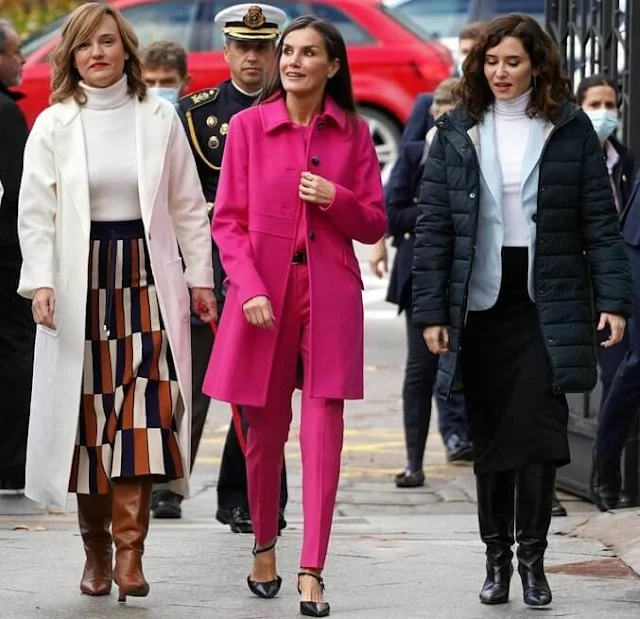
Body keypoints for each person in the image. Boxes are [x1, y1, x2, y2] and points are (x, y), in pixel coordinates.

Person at [412, 13, 632, 608]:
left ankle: (533, 562)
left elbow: (600, 222)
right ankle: (495, 562)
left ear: (536, 63)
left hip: (548, 296)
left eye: (512, 61)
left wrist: (613, 300)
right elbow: (433, 228)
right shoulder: (458, 129)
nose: (501, 72)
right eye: (491, 61)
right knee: (491, 436)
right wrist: (431, 311)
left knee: (536, 432)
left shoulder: (569, 128)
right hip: (480, 300)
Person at [17, 3, 216, 603]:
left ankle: (132, 558)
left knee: (142, 419)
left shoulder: (158, 117)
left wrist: (201, 279)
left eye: (107, 42)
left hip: (149, 279)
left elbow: (187, 206)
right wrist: (42, 282)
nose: (96, 53)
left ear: (126, 49)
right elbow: (37, 215)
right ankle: (97, 555)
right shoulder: (53, 123)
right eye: (84, 45)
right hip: (82, 282)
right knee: (88, 424)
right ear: (71, 56)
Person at [203, 16, 386, 617]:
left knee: (324, 430)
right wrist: (247, 285)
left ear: (333, 66)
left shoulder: (354, 132)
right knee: (262, 432)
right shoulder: (249, 126)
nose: (293, 61)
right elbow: (226, 221)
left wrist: (339, 199)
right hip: (262, 295)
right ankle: (263, 544)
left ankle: (312, 567)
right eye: (289, 52)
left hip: (329, 289)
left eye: (309, 53)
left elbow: (374, 224)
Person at [157, 3, 290, 531]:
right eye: (243, 46)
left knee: (259, 389)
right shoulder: (193, 112)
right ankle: (168, 482)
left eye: (262, 47)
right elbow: (179, 199)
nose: (253, 56)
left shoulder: (292, 106)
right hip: (209, 263)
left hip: (271, 264)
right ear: (228, 51)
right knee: (188, 380)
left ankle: (247, 497)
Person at [386, 77, 472, 490]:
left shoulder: (476, 153)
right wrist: (434, 217)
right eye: (439, 107)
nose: (443, 113)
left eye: (452, 107)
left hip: (469, 275)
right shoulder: (415, 153)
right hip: (420, 273)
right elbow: (390, 212)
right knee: (421, 370)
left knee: (473, 368)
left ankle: (472, 444)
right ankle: (413, 461)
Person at [368, 21, 484, 284]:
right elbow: (402, 173)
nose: (469, 59)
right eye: (464, 51)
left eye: (476, 51)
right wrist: (379, 240)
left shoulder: (497, 108)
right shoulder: (430, 103)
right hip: (426, 240)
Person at [578, 74, 638, 512]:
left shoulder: (625, 159)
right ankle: (601, 464)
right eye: (594, 104)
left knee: (627, 370)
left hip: (623, 266)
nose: (604, 112)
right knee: (618, 371)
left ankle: (613, 465)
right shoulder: (568, 152)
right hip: (588, 279)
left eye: (610, 104)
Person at [0, 19, 34, 493]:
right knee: (17, 350)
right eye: (15, 52)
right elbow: (17, 193)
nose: (23, 60)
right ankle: (10, 460)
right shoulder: (5, 113)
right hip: (6, 254)